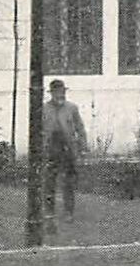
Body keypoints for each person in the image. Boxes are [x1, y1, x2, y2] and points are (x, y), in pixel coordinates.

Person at [43, 79, 88, 228]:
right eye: (56, 92)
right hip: (51, 148)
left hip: (67, 148)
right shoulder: (44, 109)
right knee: (49, 181)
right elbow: (39, 130)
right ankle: (49, 212)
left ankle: (69, 212)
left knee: (68, 182)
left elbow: (80, 128)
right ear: (51, 93)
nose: (59, 94)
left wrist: (82, 146)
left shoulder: (72, 108)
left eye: (62, 91)